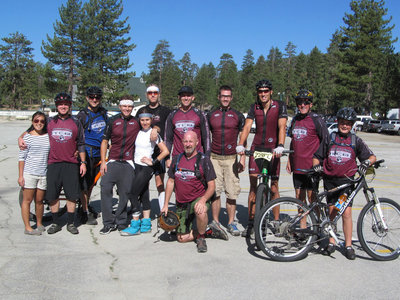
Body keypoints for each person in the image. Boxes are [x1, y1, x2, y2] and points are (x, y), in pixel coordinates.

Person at [313, 107, 376, 260]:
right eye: (342, 123)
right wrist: (316, 166)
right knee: (332, 212)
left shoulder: (356, 141)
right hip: (330, 182)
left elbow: (372, 157)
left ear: (352, 125)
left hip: (346, 183)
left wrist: (366, 162)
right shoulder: (330, 137)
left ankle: (348, 246)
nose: (345, 126)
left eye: (348, 123)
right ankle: (332, 242)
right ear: (338, 122)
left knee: (346, 213)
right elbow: (317, 156)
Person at [99, 96, 159, 234]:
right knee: (105, 188)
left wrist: (155, 128)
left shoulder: (136, 122)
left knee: (125, 193)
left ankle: (121, 221)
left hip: (128, 163)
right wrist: (103, 161)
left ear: (132, 108)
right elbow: (104, 141)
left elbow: (148, 124)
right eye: (124, 106)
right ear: (120, 107)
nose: (127, 108)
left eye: (129, 106)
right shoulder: (112, 121)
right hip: (113, 161)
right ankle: (108, 222)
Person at [237, 79, 288, 237]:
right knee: (253, 186)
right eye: (260, 91)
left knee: (274, 187)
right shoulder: (254, 107)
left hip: (273, 149)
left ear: (271, 92)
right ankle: (251, 223)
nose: (263, 94)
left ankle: (276, 221)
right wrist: (241, 145)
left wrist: (280, 145)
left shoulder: (279, 105)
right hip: (257, 148)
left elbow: (282, 127)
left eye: (266, 91)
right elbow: (246, 126)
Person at [161, 131, 216, 253]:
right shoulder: (177, 159)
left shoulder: (204, 160)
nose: (188, 144)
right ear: (181, 143)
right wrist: (165, 205)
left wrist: (203, 200)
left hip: (198, 198)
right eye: (185, 141)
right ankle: (209, 230)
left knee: (200, 210)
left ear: (197, 142)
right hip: (182, 204)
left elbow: (212, 186)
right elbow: (170, 182)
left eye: (191, 141)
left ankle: (201, 238)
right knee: (181, 238)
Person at [120, 109, 169, 236]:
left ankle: (135, 223)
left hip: (146, 168)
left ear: (151, 120)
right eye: (142, 120)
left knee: (132, 193)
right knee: (143, 194)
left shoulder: (154, 135)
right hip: (136, 166)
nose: (145, 122)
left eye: (147, 120)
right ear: (139, 121)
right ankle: (146, 224)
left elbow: (165, 151)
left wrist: (153, 161)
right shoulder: (138, 132)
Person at [45, 93, 87, 235]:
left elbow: (81, 143)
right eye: (60, 104)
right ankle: (55, 223)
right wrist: (22, 137)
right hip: (53, 163)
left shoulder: (76, 122)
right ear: (56, 106)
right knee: (53, 195)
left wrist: (83, 162)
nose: (63, 106)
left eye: (66, 104)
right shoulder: (49, 121)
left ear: (70, 106)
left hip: (71, 163)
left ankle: (70, 223)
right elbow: (35, 130)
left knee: (72, 196)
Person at [207, 85, 246, 237]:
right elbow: (205, 136)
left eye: (228, 96)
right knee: (215, 193)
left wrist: (242, 157)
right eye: (223, 96)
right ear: (219, 97)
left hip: (231, 158)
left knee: (231, 193)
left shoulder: (237, 115)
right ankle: (216, 222)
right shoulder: (211, 114)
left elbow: (243, 138)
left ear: (231, 98)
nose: (225, 98)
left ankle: (230, 223)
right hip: (214, 158)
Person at [286, 89, 328, 207]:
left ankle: (317, 224)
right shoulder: (295, 119)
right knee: (299, 199)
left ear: (311, 104)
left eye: (305, 102)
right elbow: (293, 141)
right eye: (300, 103)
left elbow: (326, 141)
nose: (302, 105)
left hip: (311, 167)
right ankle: (303, 225)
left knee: (312, 199)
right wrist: (290, 159)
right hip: (298, 166)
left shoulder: (316, 119)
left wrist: (321, 161)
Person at [76, 86, 108, 225]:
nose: (94, 100)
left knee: (91, 184)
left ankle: (85, 205)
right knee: (84, 184)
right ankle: (84, 212)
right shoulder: (82, 115)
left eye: (97, 97)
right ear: (87, 98)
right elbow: (75, 133)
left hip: (99, 153)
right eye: (92, 97)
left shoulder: (104, 113)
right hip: (86, 153)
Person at [136, 85, 171, 211]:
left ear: (159, 94)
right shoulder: (141, 110)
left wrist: (168, 156)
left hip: (159, 153)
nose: (153, 95)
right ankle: (138, 208)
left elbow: (170, 133)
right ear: (146, 95)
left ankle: (163, 210)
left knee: (159, 184)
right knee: (141, 183)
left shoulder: (166, 111)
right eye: (150, 92)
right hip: (144, 153)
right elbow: (135, 130)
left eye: (155, 93)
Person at [18, 111, 50, 235]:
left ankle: (39, 223)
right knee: (27, 200)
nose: (39, 123)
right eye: (36, 121)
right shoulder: (27, 137)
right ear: (32, 122)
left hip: (43, 173)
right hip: (29, 173)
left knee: (39, 200)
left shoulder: (47, 136)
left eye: (42, 121)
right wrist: (21, 176)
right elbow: (21, 158)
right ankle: (28, 227)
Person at [164, 86, 211, 168]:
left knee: (196, 181)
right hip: (177, 158)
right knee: (177, 180)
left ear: (193, 98)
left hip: (196, 158)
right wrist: (167, 158)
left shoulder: (200, 114)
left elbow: (206, 137)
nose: (186, 98)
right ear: (179, 97)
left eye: (188, 95)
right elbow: (168, 139)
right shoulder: (172, 115)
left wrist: (207, 157)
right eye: (183, 95)